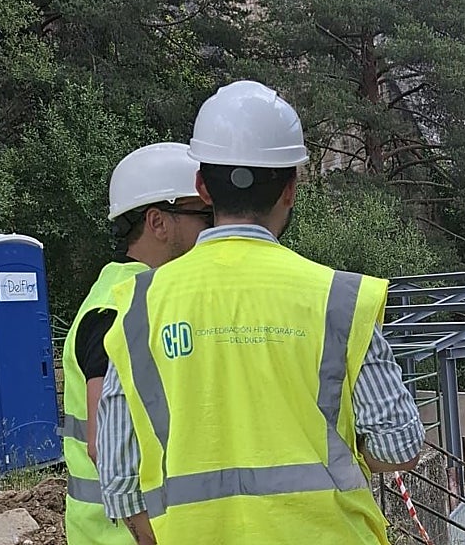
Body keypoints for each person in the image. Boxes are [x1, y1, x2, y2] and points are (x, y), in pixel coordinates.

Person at [97, 80, 424, 545]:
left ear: (202, 187)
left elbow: (119, 478)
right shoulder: (339, 299)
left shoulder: (138, 309)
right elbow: (399, 445)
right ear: (290, 189)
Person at [62, 143, 211, 545]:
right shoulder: (116, 310)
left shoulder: (136, 297)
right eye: (204, 215)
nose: (215, 230)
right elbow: (102, 445)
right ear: (158, 222)